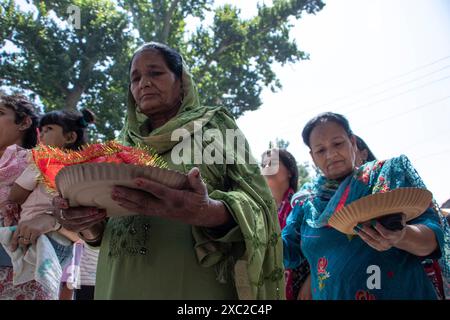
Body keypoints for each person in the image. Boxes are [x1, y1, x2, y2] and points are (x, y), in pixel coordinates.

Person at [52, 42, 284, 299]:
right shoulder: (119, 147)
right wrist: (85, 224)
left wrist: (207, 212)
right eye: (135, 78)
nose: (144, 83)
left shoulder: (215, 127)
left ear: (181, 81)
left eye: (155, 73)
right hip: (117, 284)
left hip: (193, 285)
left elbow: (260, 206)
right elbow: (100, 231)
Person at [282, 112, 449, 299]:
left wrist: (401, 236)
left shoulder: (386, 179)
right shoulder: (306, 204)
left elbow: (433, 239)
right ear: (313, 157)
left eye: (337, 143)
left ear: (352, 142)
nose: (331, 154)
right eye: (321, 150)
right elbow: (286, 254)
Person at [4, 108, 95, 300]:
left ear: (70, 137)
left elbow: (16, 195)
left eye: (48, 129)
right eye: (41, 129)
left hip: (36, 239)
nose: (42, 134)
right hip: (66, 245)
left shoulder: (43, 162)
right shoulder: (85, 171)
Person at [0, 93, 45, 299]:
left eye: (0, 113)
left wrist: (49, 219)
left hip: (19, 274)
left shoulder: (37, 163)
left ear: (24, 122)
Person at [261, 148, 311, 300]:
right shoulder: (260, 211)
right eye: (263, 165)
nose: (267, 168)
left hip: (302, 288)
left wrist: (310, 282)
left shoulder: (303, 204)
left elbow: (318, 246)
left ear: (290, 171)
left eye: (273, 163)